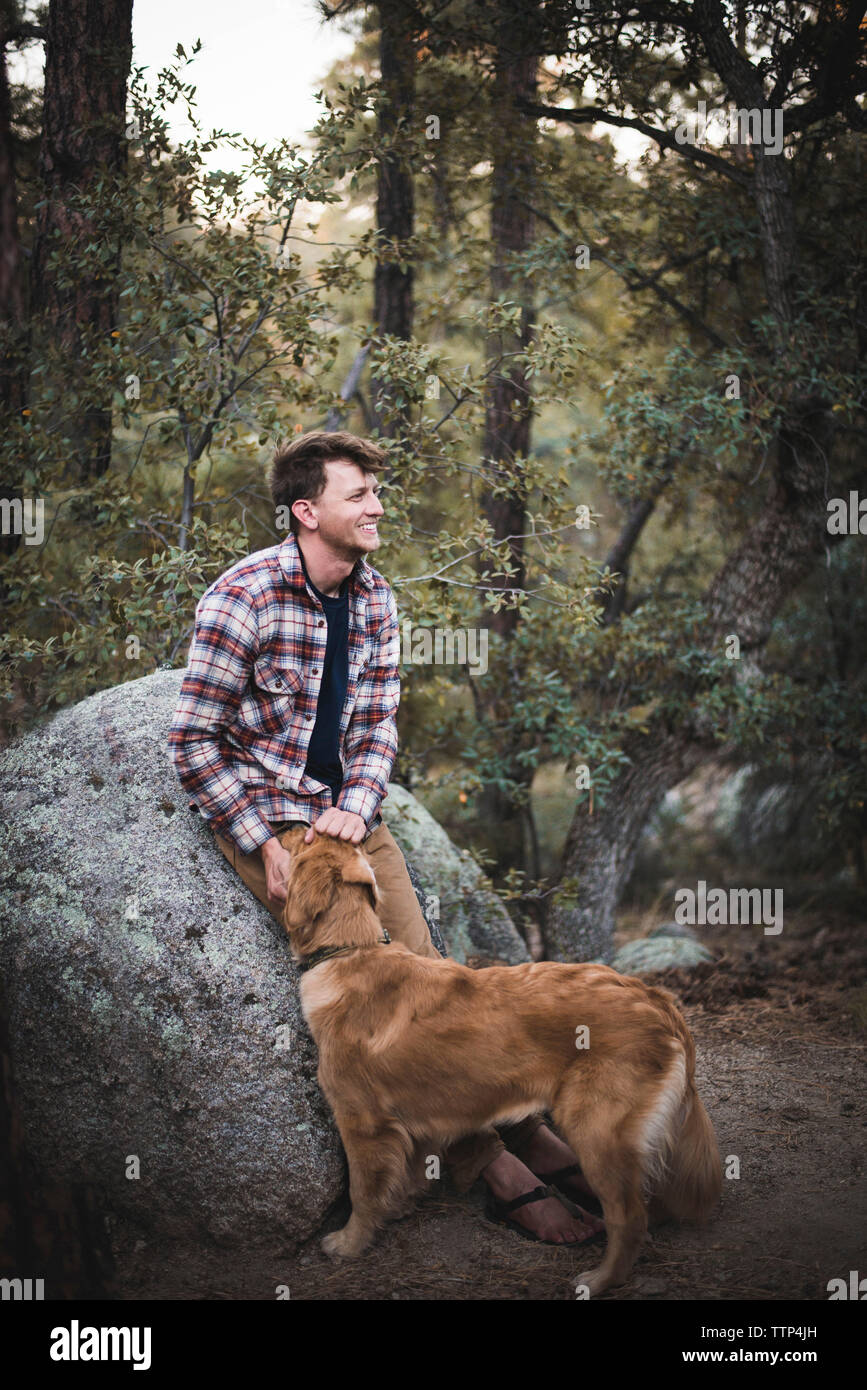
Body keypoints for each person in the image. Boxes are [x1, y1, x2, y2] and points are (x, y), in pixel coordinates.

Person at [168, 429, 604, 1246]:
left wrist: (358, 803)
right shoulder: (243, 596)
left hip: (347, 816)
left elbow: (376, 731)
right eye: (357, 493)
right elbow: (193, 740)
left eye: (377, 491)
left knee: (436, 986)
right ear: (305, 510)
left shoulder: (374, 598)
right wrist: (266, 841)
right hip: (269, 813)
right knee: (375, 1009)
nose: (376, 506)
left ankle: (522, 1129)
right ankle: (499, 1173)